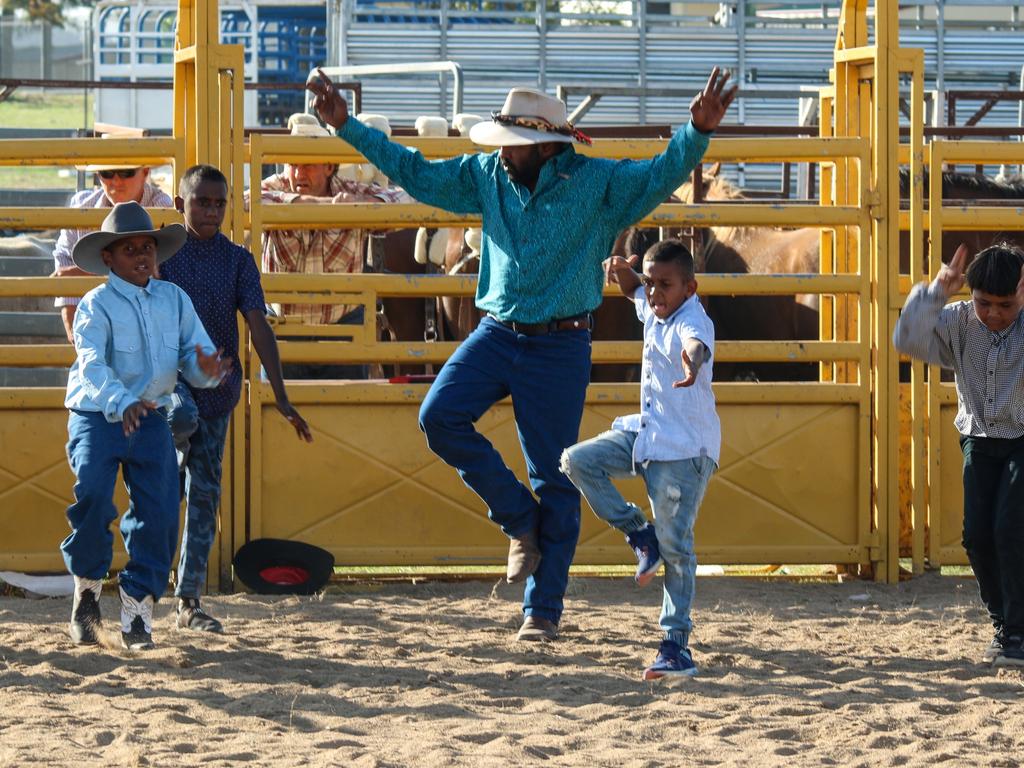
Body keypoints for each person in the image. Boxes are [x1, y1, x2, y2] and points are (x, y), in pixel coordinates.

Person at [308, 67, 736, 641]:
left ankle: (542, 608)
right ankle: (520, 521)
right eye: (504, 144)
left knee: (554, 475)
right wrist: (346, 127)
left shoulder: (597, 183)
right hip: (499, 330)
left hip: (560, 343)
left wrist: (695, 132)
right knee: (439, 416)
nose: (505, 153)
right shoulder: (487, 173)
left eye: (516, 145)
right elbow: (416, 172)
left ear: (547, 145)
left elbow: (659, 175)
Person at [62, 201, 230, 651]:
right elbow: (92, 366)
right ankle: (86, 595)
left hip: (151, 415)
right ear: (108, 259)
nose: (141, 255)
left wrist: (209, 369)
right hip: (97, 416)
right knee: (94, 498)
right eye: (129, 248)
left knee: (159, 512)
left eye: (147, 247)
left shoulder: (174, 300)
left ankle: (137, 610)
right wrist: (122, 401)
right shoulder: (95, 305)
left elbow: (195, 356)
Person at [161, 164, 313, 633]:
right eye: (201, 201)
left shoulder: (237, 261)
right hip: (169, 385)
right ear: (179, 204)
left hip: (219, 390)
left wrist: (280, 395)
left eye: (218, 203)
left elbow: (258, 325)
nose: (210, 211)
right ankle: (148, 587)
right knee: (168, 468)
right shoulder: (161, 258)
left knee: (205, 495)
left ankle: (189, 601)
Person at [561, 240, 719, 679]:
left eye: (664, 286)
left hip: (684, 451)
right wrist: (625, 274)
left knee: (678, 550)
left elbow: (695, 345)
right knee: (576, 461)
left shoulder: (694, 319)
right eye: (652, 285)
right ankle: (638, 533)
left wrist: (692, 364)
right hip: (647, 435)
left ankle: (675, 646)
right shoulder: (654, 305)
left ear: (690, 288)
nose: (655, 294)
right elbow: (635, 292)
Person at [893, 242, 1024, 669]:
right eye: (984, 303)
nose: (994, 314)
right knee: (976, 536)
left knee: (1009, 529)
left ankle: (1018, 631)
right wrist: (937, 291)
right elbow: (907, 339)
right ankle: (1003, 624)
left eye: (1006, 304)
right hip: (979, 439)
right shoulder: (959, 321)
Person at [256, 113, 406, 379]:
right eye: (293, 164)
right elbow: (244, 201)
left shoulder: (352, 191)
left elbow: (403, 200)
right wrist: (327, 207)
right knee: (276, 414)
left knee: (344, 414)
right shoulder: (274, 187)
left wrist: (364, 208)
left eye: (309, 164)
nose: (299, 173)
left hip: (342, 329)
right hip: (284, 330)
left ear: (329, 166)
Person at [53, 159, 172, 343]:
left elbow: (65, 273)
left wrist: (81, 272)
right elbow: (64, 264)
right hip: (98, 323)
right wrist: (74, 331)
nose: (116, 181)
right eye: (107, 173)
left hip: (146, 329)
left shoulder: (162, 206)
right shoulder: (82, 205)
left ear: (145, 172)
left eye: (125, 173)